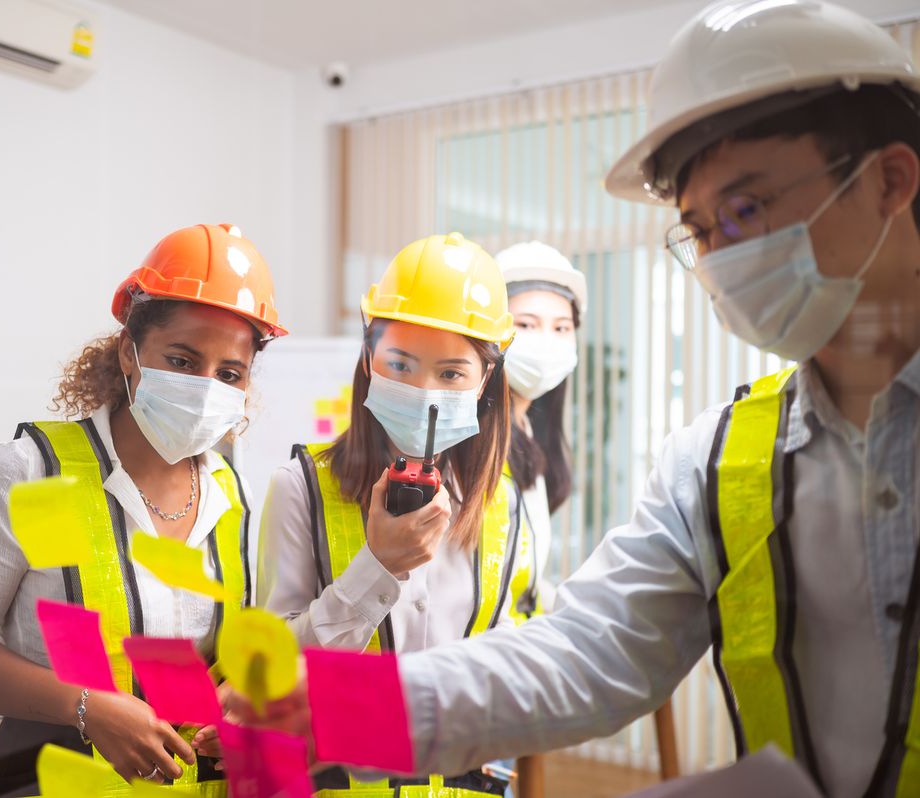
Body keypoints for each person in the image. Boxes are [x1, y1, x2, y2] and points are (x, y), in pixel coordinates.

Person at [245, 3, 920, 796]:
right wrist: (335, 711)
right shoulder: (721, 460)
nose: (722, 261)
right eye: (699, 232)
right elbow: (586, 651)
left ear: (889, 180)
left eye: (747, 209)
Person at [0, 223, 287, 796]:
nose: (206, 386)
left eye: (229, 373)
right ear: (129, 352)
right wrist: (87, 709)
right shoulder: (30, 474)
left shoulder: (229, 490)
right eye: (183, 360)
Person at [257, 233, 533, 798]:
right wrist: (375, 569)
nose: (424, 390)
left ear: (486, 380)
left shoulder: (505, 502)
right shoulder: (300, 489)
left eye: (452, 373)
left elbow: (510, 666)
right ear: (367, 357)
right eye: (401, 365)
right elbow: (270, 675)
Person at [495, 240, 588, 607]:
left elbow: (520, 583)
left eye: (561, 328)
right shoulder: (468, 444)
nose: (546, 342)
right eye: (526, 324)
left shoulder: (531, 431)